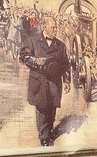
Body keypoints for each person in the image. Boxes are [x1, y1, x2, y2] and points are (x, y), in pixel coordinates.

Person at [19, 16, 70, 146]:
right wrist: (35, 61)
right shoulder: (33, 40)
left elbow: (65, 64)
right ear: (44, 27)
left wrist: (67, 81)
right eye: (52, 27)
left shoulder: (60, 45)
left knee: (52, 106)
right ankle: (44, 137)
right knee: (42, 108)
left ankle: (49, 129)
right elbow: (23, 56)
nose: (55, 30)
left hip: (54, 81)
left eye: (56, 28)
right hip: (39, 80)